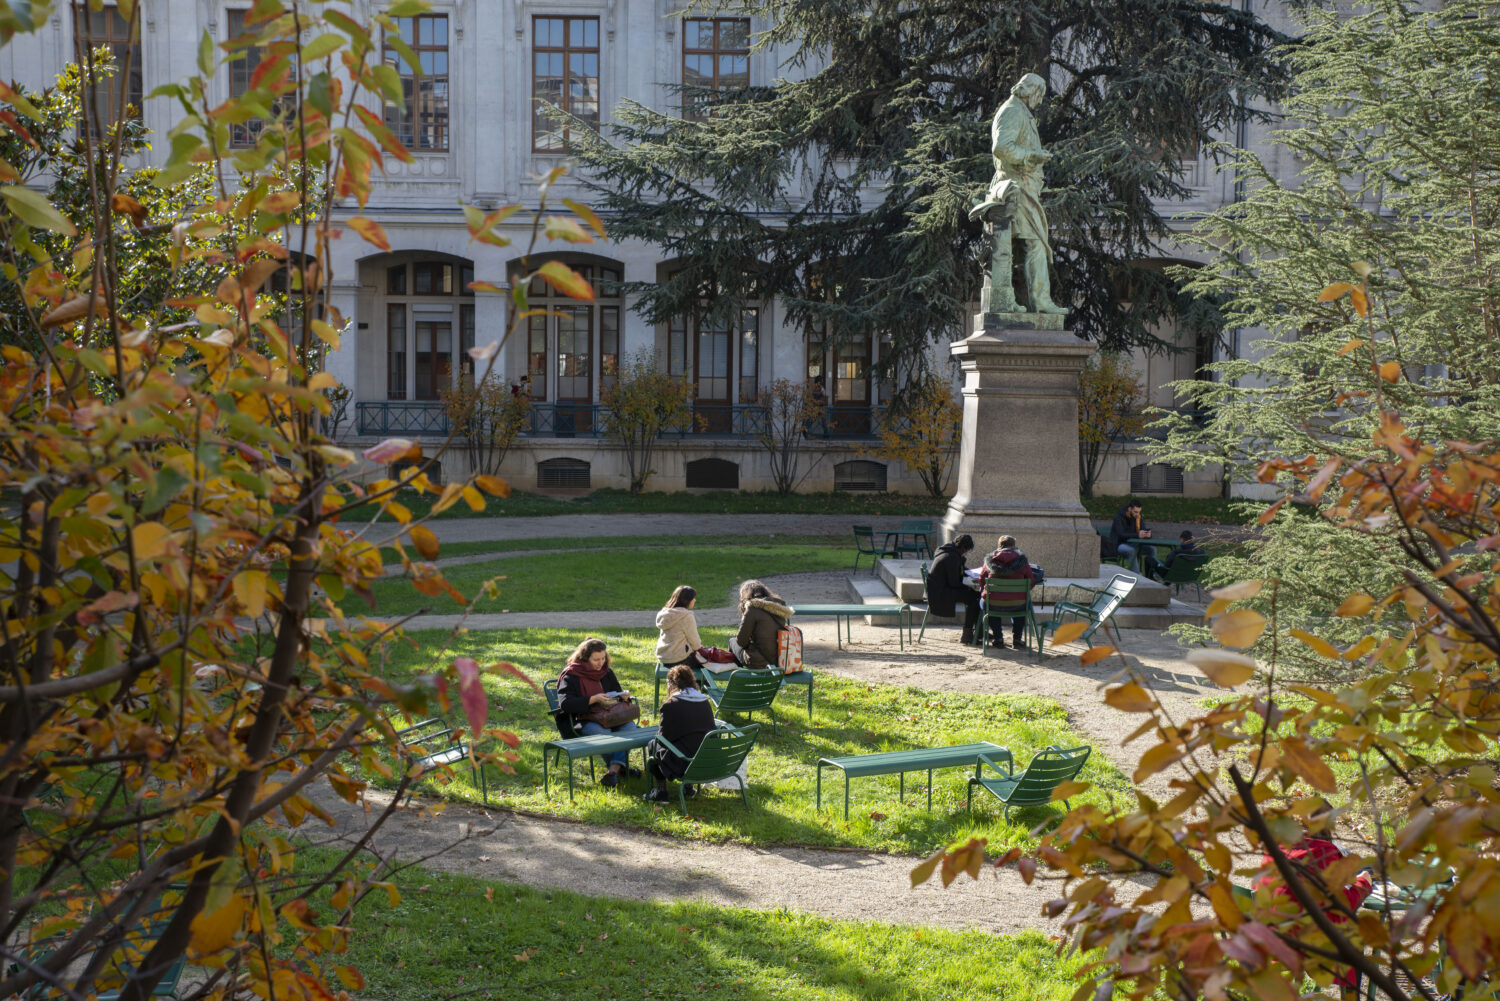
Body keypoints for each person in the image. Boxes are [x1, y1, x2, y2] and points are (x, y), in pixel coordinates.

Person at [967, 73, 1066, 315]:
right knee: (1036, 243)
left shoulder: (1019, 110)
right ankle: (1040, 302)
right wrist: (1032, 156)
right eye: (1039, 95)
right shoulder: (1013, 110)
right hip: (1016, 188)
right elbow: (1001, 147)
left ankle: (1018, 301)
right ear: (1029, 91)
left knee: (1027, 244)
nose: (1040, 101)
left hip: (1022, 188)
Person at [1253, 805, 1373, 994]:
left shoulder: (1274, 849)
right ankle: (1351, 998)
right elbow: (1344, 904)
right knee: (1352, 942)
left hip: (1271, 937)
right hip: (1308, 942)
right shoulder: (1324, 850)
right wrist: (1364, 883)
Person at [555, 637, 641, 788]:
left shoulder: (606, 672)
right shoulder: (572, 675)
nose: (600, 663)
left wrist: (622, 696)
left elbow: (616, 692)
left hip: (611, 716)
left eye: (603, 658)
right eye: (596, 659)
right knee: (604, 736)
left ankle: (613, 772)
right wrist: (593, 699)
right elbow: (566, 704)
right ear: (585, 658)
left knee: (630, 730)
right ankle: (619, 770)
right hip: (585, 719)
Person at [643, 664, 717, 803]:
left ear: (671, 684)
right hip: (706, 759)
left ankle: (661, 792)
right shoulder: (704, 701)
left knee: (654, 744)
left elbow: (663, 738)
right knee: (691, 742)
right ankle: (688, 788)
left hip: (684, 762)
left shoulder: (670, 705)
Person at [977, 535, 1036, 649]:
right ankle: (1017, 639)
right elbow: (1031, 582)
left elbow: (981, 580)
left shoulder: (990, 561)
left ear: (999, 546)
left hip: (993, 605)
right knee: (1022, 602)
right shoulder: (1022, 561)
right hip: (1018, 605)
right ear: (1014, 546)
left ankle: (998, 637)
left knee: (988, 601)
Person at [927, 534, 981, 645]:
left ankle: (978, 631)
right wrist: (970, 586)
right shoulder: (951, 557)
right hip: (941, 593)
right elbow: (954, 582)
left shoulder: (949, 551)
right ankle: (968, 635)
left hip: (938, 589)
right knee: (974, 599)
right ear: (962, 547)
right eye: (966, 550)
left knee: (975, 596)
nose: (965, 553)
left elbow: (957, 574)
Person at [731, 579, 794, 668]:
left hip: (758, 662)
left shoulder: (752, 609)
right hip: (779, 661)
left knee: (732, 642)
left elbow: (741, 641)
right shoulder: (778, 608)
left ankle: (738, 677)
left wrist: (750, 644)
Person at [655, 585, 704, 668]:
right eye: (693, 598)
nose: (694, 600)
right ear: (687, 600)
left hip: (664, 658)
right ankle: (706, 681)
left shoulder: (665, 613)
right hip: (680, 659)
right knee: (706, 665)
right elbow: (695, 643)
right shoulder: (686, 616)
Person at [1109, 498, 1158, 577]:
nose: (1137, 514)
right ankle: (1137, 575)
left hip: (1135, 544)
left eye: (1139, 512)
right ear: (1129, 509)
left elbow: (1143, 530)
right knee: (1132, 551)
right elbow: (1121, 534)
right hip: (1120, 545)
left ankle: (1151, 576)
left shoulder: (1138, 517)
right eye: (1135, 512)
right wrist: (1137, 535)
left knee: (1152, 549)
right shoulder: (1119, 518)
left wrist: (1147, 534)